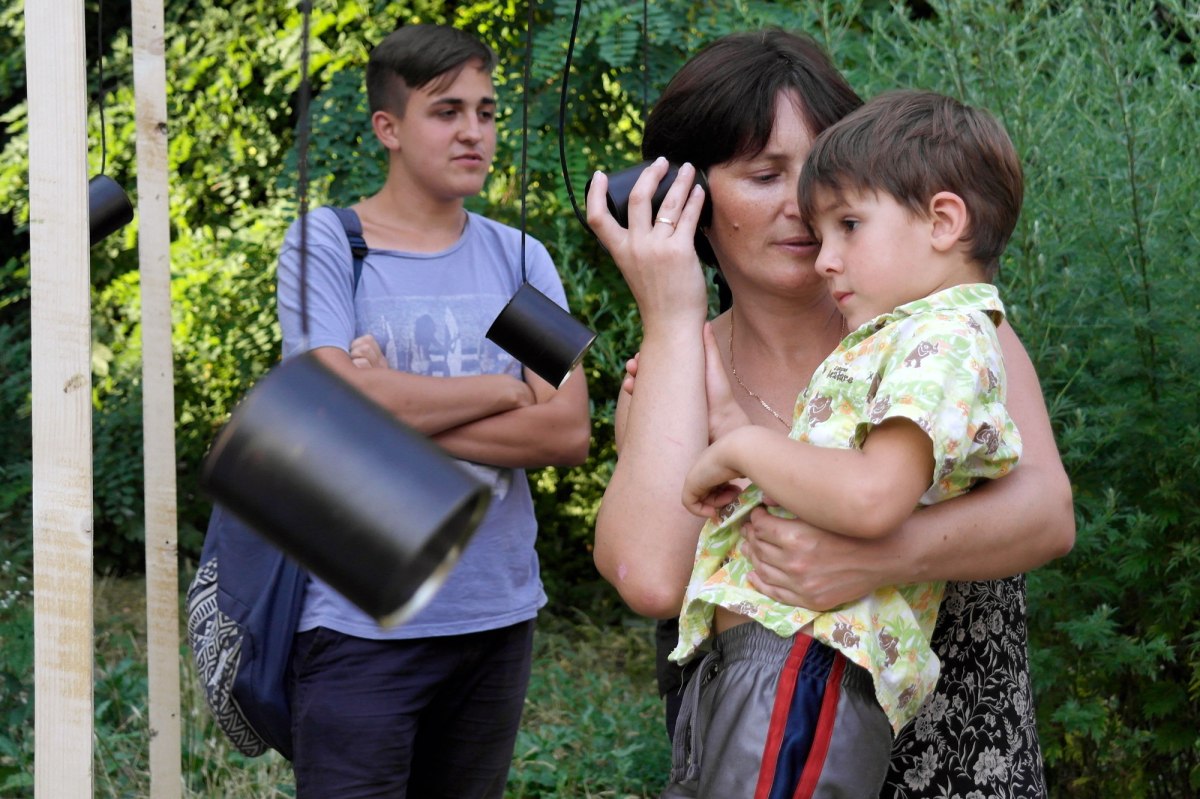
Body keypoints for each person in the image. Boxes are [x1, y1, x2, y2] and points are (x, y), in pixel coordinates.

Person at [585, 30, 1074, 798]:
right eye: (764, 174)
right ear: (690, 198)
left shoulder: (942, 327)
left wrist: (885, 555)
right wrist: (672, 318)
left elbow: (1048, 514)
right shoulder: (679, 368)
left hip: (960, 764)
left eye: (819, 169)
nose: (801, 203)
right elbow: (649, 575)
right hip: (758, 764)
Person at [659, 88, 1026, 797]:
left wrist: (743, 451)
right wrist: (726, 413)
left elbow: (871, 498)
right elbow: (827, 476)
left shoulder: (944, 342)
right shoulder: (901, 337)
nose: (825, 258)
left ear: (943, 221)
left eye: (849, 225)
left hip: (806, 667)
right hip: (778, 662)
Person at [276, 23, 590, 798]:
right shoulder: (329, 245)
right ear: (388, 127)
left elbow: (566, 429)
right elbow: (331, 409)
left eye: (486, 111)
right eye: (447, 112)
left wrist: (392, 396)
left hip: (495, 615)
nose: (473, 131)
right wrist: (503, 388)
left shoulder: (519, 257)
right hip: (361, 619)